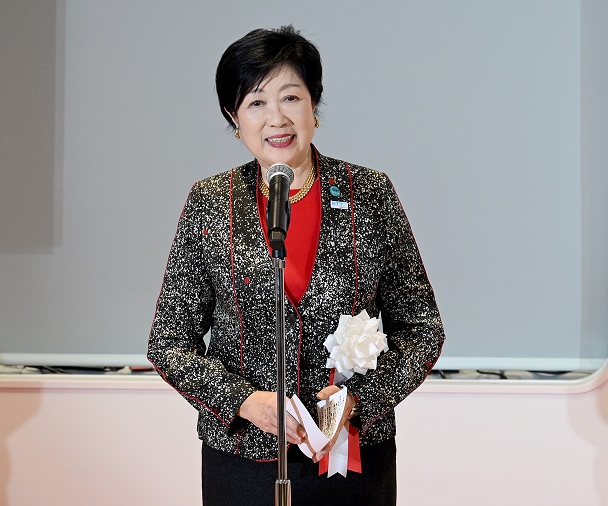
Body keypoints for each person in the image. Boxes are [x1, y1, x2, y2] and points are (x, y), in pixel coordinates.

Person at [147, 25, 444, 505]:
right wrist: (245, 401)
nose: (276, 119)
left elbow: (423, 329)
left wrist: (359, 403)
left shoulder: (369, 194)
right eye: (256, 103)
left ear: (314, 107)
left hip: (352, 462)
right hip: (243, 462)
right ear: (234, 117)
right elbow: (168, 344)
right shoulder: (209, 204)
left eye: (291, 97)